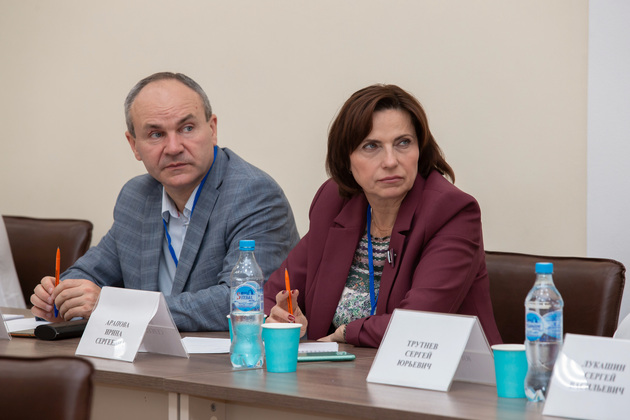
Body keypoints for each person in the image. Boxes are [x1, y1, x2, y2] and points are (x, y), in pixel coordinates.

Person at [31, 72, 300, 331]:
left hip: (230, 358)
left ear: (212, 129)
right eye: (156, 134)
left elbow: (240, 300)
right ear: (134, 145)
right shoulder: (137, 197)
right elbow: (89, 273)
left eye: (187, 128)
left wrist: (115, 306)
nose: (173, 147)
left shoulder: (253, 193)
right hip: (149, 355)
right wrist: (58, 295)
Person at [264, 84, 502, 348]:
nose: (390, 161)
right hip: (338, 371)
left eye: (403, 143)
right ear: (346, 159)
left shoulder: (451, 211)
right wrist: (283, 318)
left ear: (420, 149)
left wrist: (346, 333)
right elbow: (273, 294)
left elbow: (418, 322)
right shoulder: (335, 201)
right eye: (371, 146)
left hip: (440, 370)